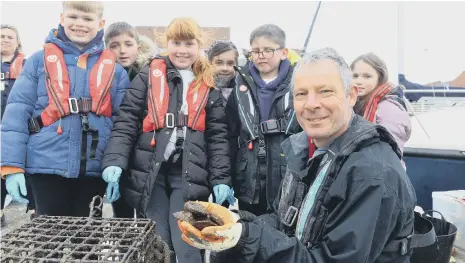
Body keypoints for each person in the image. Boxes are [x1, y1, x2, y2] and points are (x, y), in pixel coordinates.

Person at [178, 47, 417, 263]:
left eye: (325, 92)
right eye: (301, 94)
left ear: (351, 96)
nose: (311, 104)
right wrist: (237, 225)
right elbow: (285, 221)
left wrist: (247, 238)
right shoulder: (305, 150)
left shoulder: (373, 174)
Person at [101, 17, 231, 263]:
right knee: (158, 240)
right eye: (176, 43)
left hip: (189, 174)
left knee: (187, 242)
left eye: (189, 43)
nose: (182, 50)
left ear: (198, 46)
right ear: (167, 43)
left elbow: (218, 136)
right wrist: (115, 162)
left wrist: (221, 178)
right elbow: (127, 121)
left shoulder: (209, 83)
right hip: (151, 172)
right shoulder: (147, 75)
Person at [0, 1, 129, 217]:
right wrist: (11, 166)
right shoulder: (37, 62)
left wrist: (116, 164)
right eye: (73, 17)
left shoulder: (116, 71)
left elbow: (122, 125)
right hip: (45, 167)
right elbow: (16, 114)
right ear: (62, 18)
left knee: (88, 244)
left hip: (93, 170)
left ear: (101, 23)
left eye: (88, 19)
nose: (80, 24)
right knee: (47, 242)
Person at [226, 24, 301, 216]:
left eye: (268, 50)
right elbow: (230, 134)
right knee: (249, 234)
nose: (261, 55)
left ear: (283, 52)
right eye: (256, 51)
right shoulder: (238, 83)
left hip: (286, 176)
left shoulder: (299, 81)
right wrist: (226, 179)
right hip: (248, 180)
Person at [104, 21, 156, 218]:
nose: (122, 51)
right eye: (114, 46)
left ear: (138, 47)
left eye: (128, 44)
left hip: (144, 155)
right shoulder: (103, 76)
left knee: (147, 214)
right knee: (121, 214)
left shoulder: (152, 74)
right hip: (116, 153)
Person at [351, 52, 411, 154]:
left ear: (380, 78)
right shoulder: (354, 104)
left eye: (367, 76)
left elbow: (390, 153)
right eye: (355, 76)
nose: (359, 81)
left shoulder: (389, 109)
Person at [1, 24, 30, 226]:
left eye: (10, 36)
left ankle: (34, 209)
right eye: (1, 36)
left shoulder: (27, 65)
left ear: (17, 42)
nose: (5, 39)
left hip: (17, 128)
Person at [207, 40, 239, 105]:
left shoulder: (243, 92)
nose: (225, 68)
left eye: (230, 63)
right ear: (209, 63)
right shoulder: (200, 91)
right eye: (219, 63)